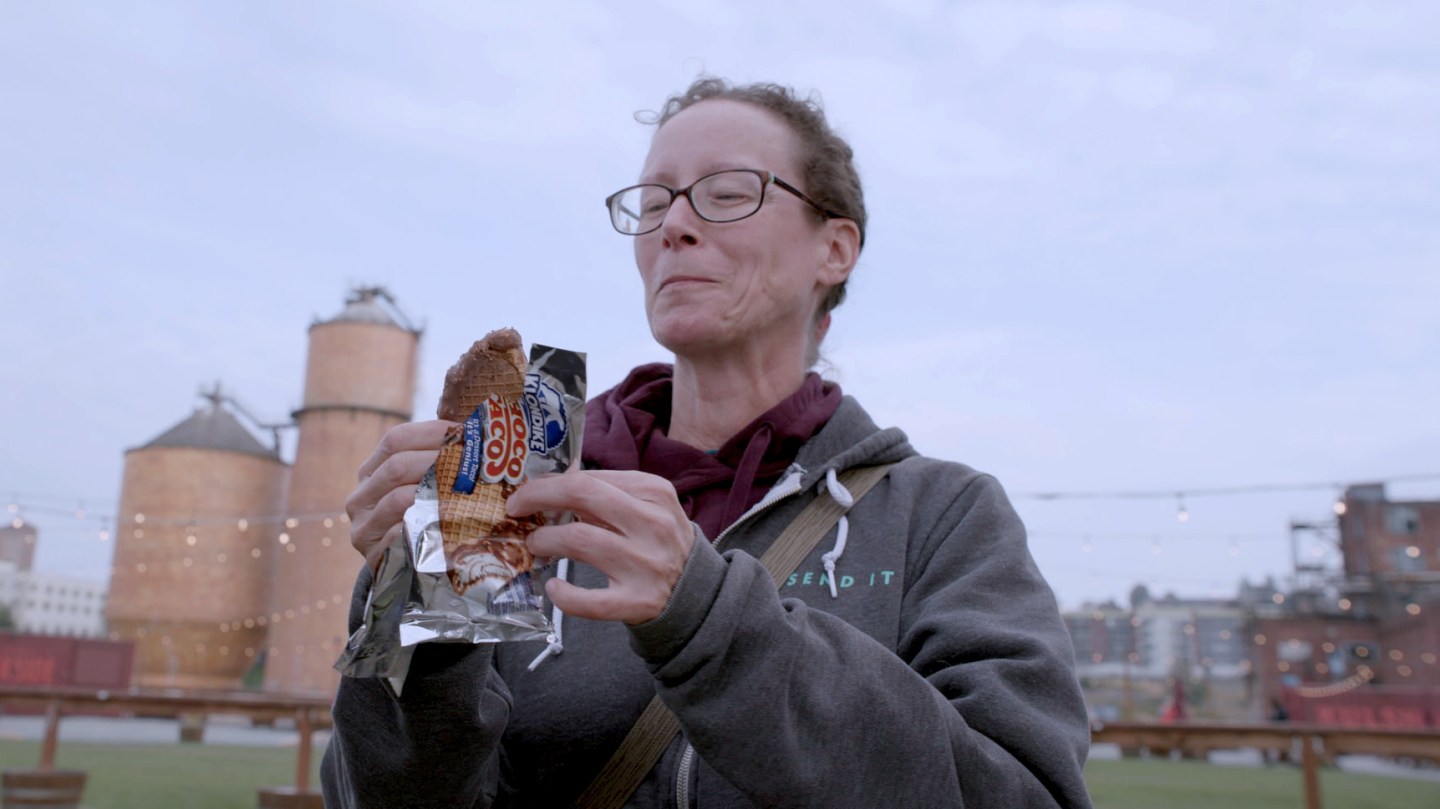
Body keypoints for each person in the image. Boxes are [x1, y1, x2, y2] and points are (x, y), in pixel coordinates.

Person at [322, 77, 1094, 808]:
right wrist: (419, 615)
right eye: (653, 201)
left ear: (836, 249)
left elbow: (1024, 793)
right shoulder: (518, 487)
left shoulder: (943, 514)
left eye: (727, 194)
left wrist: (707, 617)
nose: (674, 225)